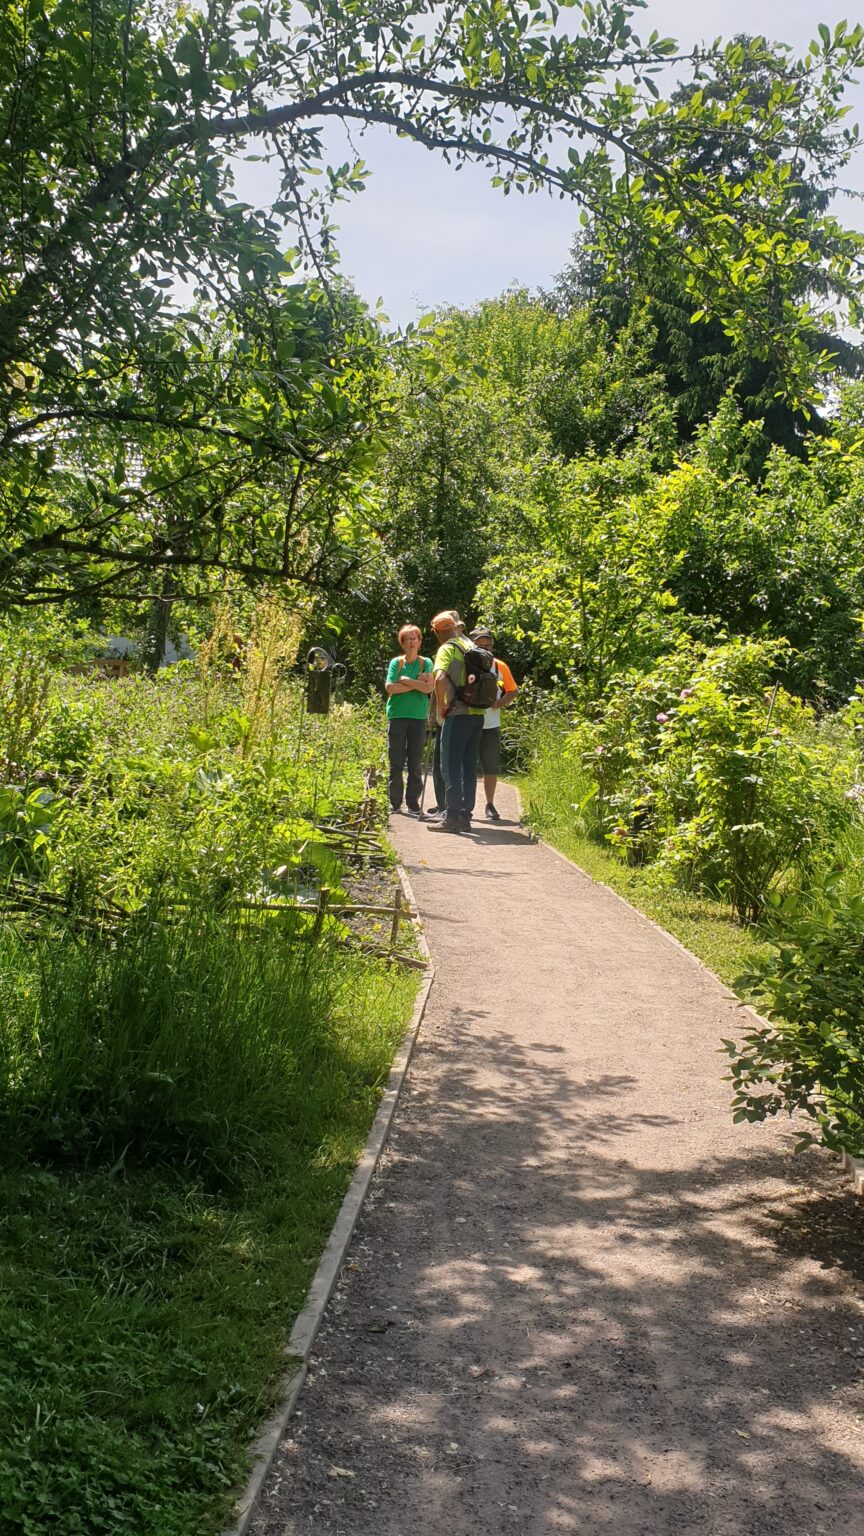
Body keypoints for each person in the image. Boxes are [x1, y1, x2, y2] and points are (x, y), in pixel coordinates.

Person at [427, 611, 485, 834]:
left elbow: (440, 678)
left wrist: (441, 705)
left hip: (457, 713)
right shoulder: (471, 645)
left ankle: (451, 816)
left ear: (437, 632)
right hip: (477, 713)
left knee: (450, 765)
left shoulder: (447, 648)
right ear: (456, 627)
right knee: (468, 767)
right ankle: (465, 816)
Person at [470, 626, 519, 820]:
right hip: (468, 722)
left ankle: (490, 804)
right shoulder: (466, 664)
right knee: (466, 766)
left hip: (490, 725)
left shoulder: (500, 666)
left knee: (490, 767)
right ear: (472, 645)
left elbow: (513, 690)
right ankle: (464, 805)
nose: (485, 649)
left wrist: (499, 703)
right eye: (480, 645)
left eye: (488, 645)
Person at [385, 624, 433, 816]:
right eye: (408, 639)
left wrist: (404, 680)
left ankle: (412, 803)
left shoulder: (425, 663)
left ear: (419, 642)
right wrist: (416, 684)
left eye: (415, 639)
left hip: (418, 717)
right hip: (397, 716)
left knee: (415, 762)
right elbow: (390, 688)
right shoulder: (396, 663)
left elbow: (429, 688)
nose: (411, 642)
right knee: (396, 762)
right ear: (402, 643)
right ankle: (395, 803)